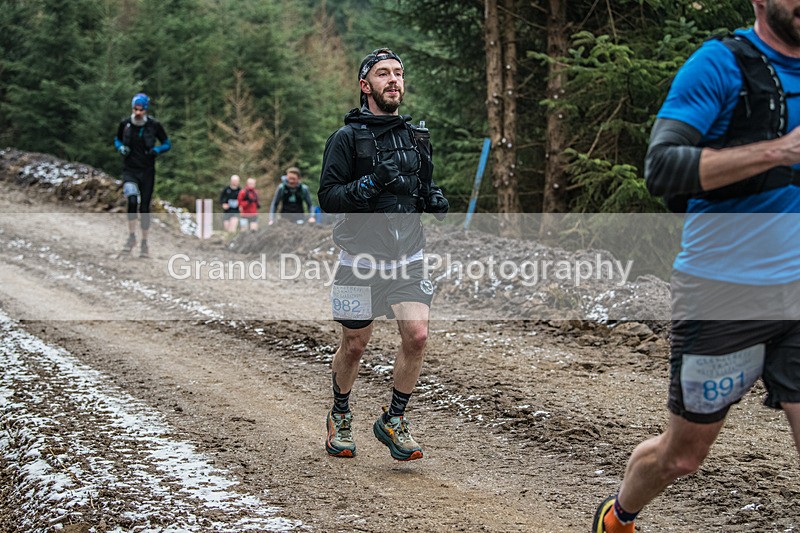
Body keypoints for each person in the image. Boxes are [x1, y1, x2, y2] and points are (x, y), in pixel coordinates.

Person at [593, 1, 800, 531]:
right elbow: (662, 167)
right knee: (681, 457)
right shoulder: (719, 64)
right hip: (724, 292)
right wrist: (778, 152)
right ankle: (618, 517)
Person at [317, 48, 449, 461]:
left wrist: (433, 197)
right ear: (365, 85)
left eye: (398, 74)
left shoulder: (416, 137)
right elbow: (329, 198)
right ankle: (339, 414)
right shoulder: (345, 139)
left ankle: (393, 419)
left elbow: (422, 186)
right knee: (355, 343)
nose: (393, 80)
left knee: (418, 335)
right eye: (382, 74)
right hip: (359, 259)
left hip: (407, 257)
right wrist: (371, 183)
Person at [114, 93, 171, 258]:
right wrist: (120, 148)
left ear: (146, 109)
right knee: (132, 200)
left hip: (147, 171)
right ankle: (131, 237)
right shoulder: (125, 124)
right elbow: (117, 139)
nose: (137, 112)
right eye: (135, 109)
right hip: (129, 169)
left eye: (141, 109)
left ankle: (144, 242)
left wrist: (157, 150)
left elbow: (167, 143)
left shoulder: (154, 126)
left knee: (144, 207)